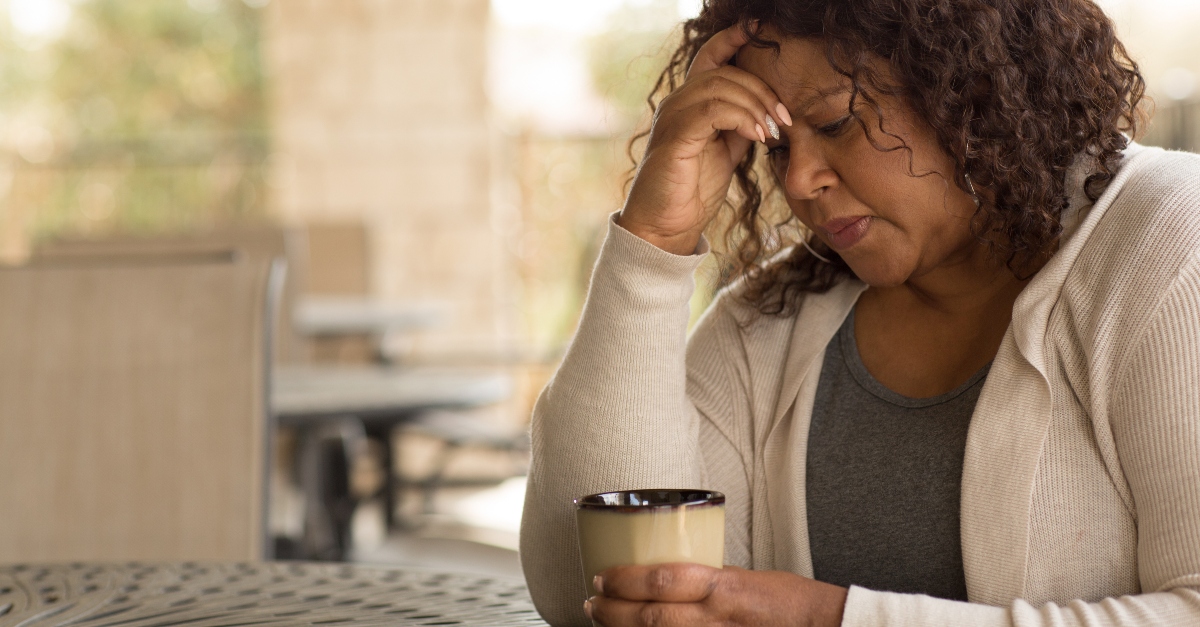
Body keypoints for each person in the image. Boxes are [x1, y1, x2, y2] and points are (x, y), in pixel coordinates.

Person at [519, 0, 1200, 625]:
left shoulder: (1166, 245)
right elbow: (580, 589)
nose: (796, 181)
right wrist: (653, 247)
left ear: (967, 85)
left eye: (837, 122)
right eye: (777, 144)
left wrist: (826, 616)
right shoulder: (767, 326)